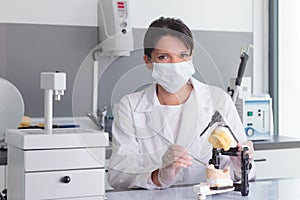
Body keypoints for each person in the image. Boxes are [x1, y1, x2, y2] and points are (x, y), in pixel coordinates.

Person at [108, 16, 255, 190]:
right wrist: (159, 176)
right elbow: (118, 176)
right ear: (148, 61)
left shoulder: (218, 100)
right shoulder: (131, 107)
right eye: (164, 57)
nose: (175, 65)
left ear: (191, 56)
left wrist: (241, 164)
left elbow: (245, 174)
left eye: (183, 55)